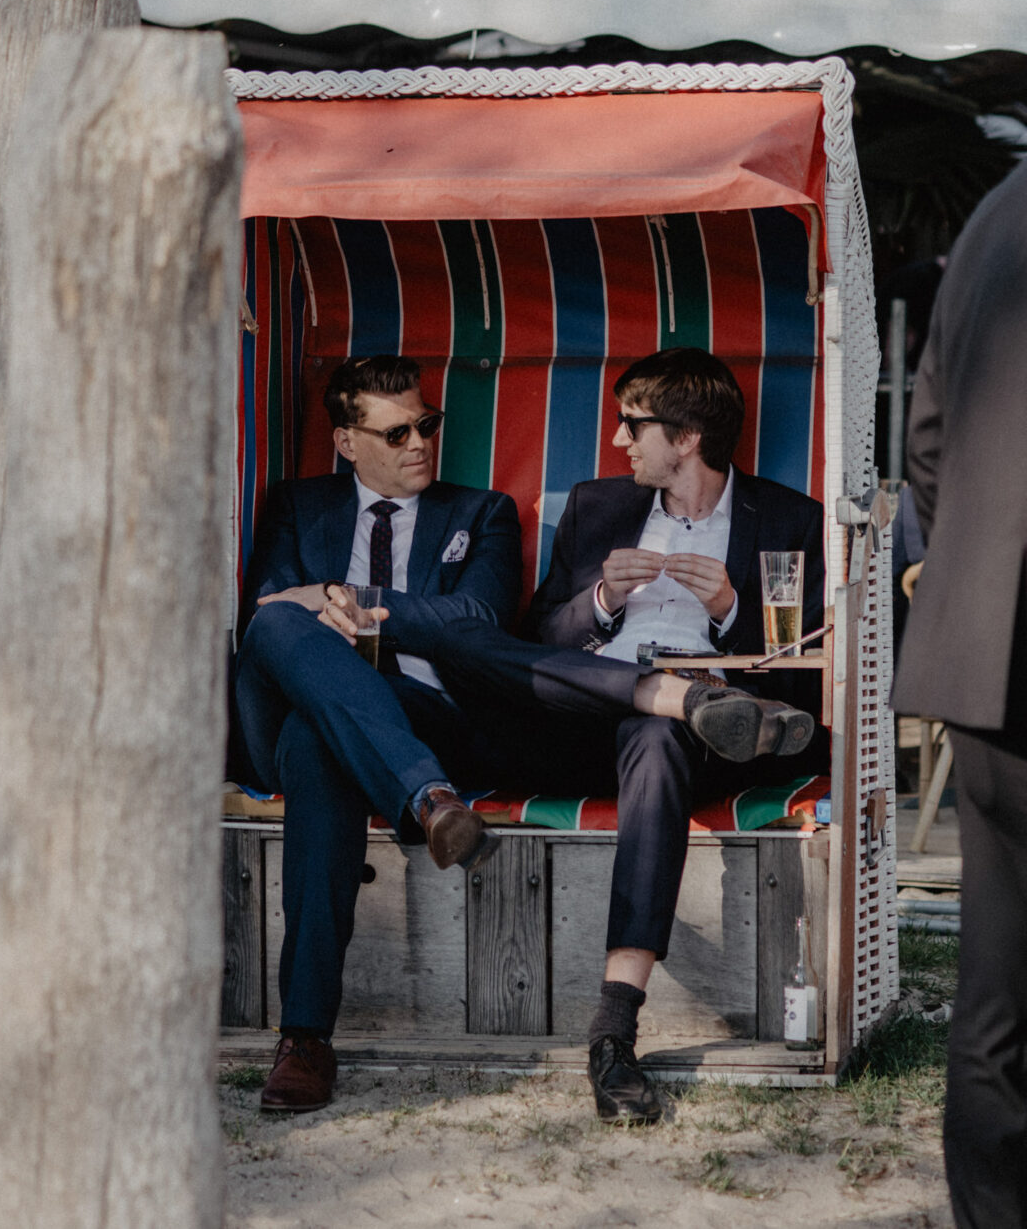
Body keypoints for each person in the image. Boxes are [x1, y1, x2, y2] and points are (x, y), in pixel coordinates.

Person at [434, 347, 827, 1125]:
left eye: (632, 424)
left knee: (658, 738)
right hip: (576, 720)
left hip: (704, 736)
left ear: (685, 437)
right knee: (468, 641)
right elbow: (539, 633)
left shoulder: (787, 520)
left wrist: (729, 614)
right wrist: (602, 604)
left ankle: (614, 1028)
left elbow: (804, 683)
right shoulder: (597, 505)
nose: (618, 439)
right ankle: (662, 696)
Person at [234, 353, 522, 1114]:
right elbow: (267, 612)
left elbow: (480, 620)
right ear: (346, 441)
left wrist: (347, 598)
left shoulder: (482, 512)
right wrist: (304, 607)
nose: (419, 444)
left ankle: (305, 1038)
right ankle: (428, 799)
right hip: (328, 713)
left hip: (425, 713)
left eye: (426, 425)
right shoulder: (296, 505)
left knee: (316, 741)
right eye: (395, 434)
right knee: (275, 627)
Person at [893, 159, 1027, 1229]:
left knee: (995, 990)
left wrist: (981, 568)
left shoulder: (992, 211)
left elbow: (926, 442)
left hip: (985, 657)